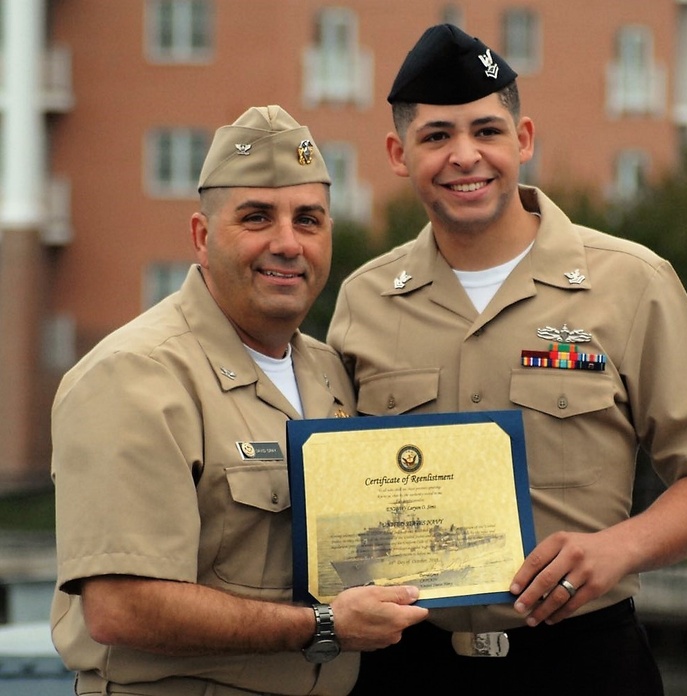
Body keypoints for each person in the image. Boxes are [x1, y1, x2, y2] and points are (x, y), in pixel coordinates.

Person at [326, 24, 687, 695]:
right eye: (437, 136)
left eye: (487, 131)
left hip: (581, 662)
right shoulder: (365, 299)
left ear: (523, 140)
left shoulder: (631, 283)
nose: (465, 156)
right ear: (398, 153)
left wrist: (617, 548)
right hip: (404, 666)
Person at [50, 105, 428, 696]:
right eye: (256, 218)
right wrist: (323, 625)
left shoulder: (329, 372)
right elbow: (120, 607)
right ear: (202, 237)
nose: (287, 243)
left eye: (308, 220)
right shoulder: (136, 376)